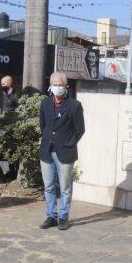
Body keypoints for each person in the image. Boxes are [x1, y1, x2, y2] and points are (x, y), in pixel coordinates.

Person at [38, 71, 85, 231]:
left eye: (60, 85)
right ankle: (51, 216)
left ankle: (63, 217)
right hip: (46, 151)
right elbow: (42, 125)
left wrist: (69, 143)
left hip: (65, 153)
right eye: (55, 85)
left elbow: (80, 129)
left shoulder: (74, 106)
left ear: (66, 87)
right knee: (49, 186)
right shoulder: (45, 104)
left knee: (65, 187)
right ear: (50, 86)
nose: (58, 88)